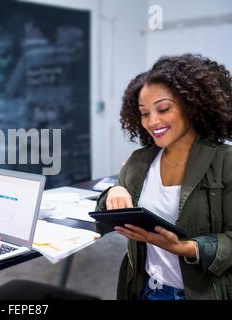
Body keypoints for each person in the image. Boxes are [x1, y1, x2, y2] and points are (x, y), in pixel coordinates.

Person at [96, 54, 232, 300]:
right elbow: (105, 221)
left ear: (191, 106)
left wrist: (183, 248)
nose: (152, 121)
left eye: (163, 109)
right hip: (144, 289)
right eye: (144, 113)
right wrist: (113, 192)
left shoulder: (225, 161)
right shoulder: (139, 161)